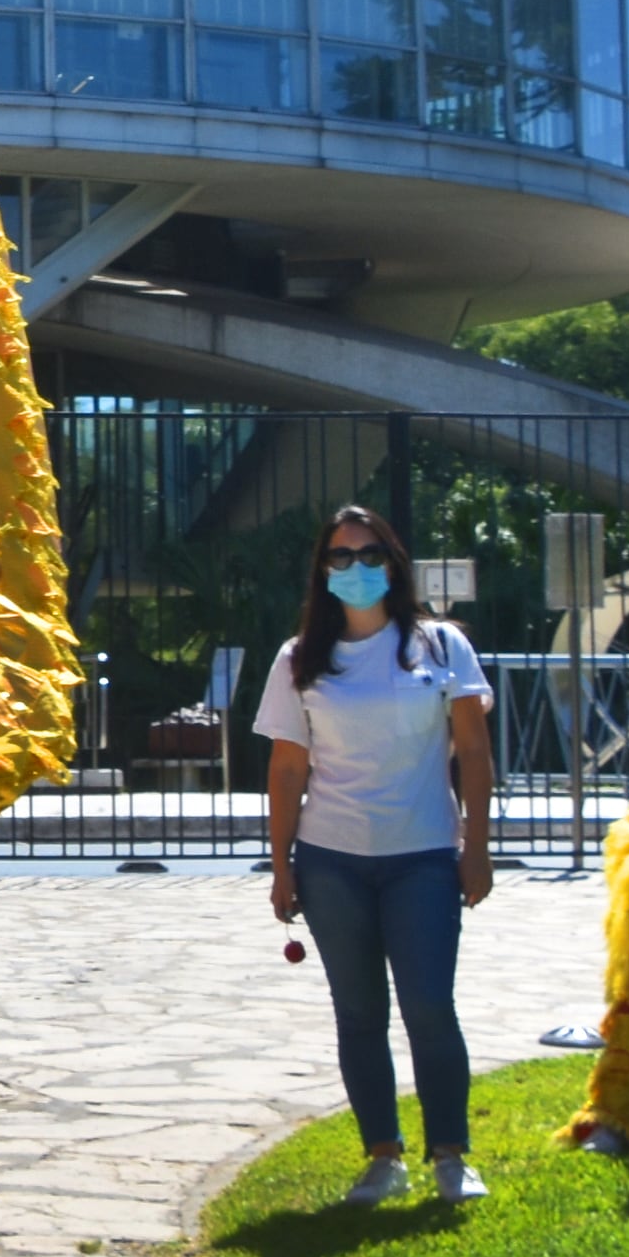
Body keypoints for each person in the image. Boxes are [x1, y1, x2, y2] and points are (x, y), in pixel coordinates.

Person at [254, 504, 498, 1206]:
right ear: (322, 570)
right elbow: (287, 768)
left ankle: (450, 1152)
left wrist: (475, 847)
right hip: (332, 860)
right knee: (358, 1011)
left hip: (421, 854)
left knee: (429, 1005)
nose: (356, 569)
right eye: (340, 557)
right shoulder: (298, 658)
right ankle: (382, 1155)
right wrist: (282, 864)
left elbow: (474, 754)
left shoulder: (440, 646)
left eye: (369, 554)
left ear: (393, 563)